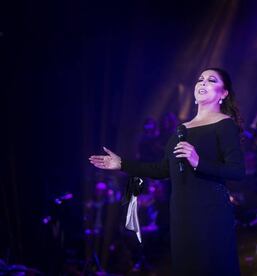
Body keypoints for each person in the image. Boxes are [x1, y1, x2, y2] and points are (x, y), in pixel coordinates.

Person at [89, 67, 245, 275]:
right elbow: (162, 169)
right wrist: (122, 164)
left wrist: (198, 162)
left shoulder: (225, 126)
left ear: (223, 94)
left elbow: (237, 171)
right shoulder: (181, 130)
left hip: (211, 211)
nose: (203, 83)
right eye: (200, 79)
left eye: (211, 80)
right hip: (182, 212)